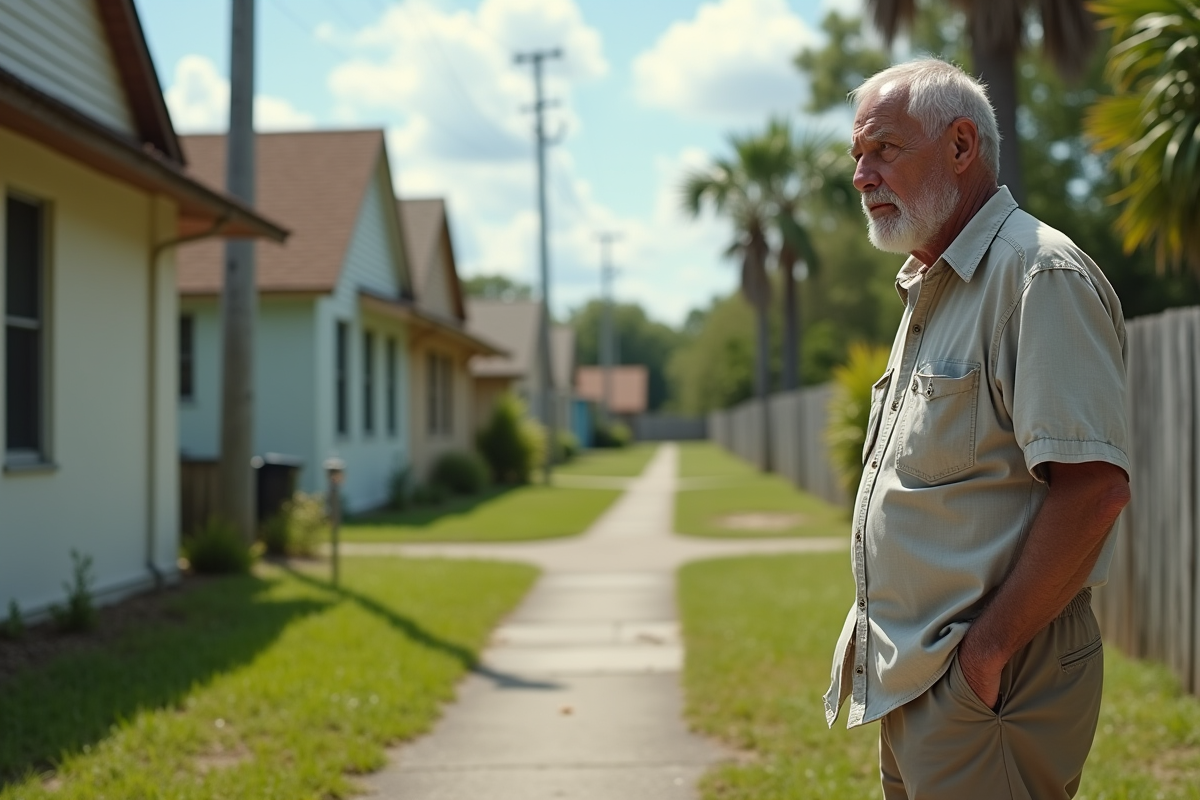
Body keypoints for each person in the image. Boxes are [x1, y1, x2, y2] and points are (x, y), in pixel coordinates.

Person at [824, 57, 1131, 800]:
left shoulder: (1036, 275)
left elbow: (1092, 491)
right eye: (857, 155)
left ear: (962, 147)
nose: (863, 175)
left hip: (992, 679)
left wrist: (983, 661)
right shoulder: (936, 287)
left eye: (885, 149)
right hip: (926, 681)